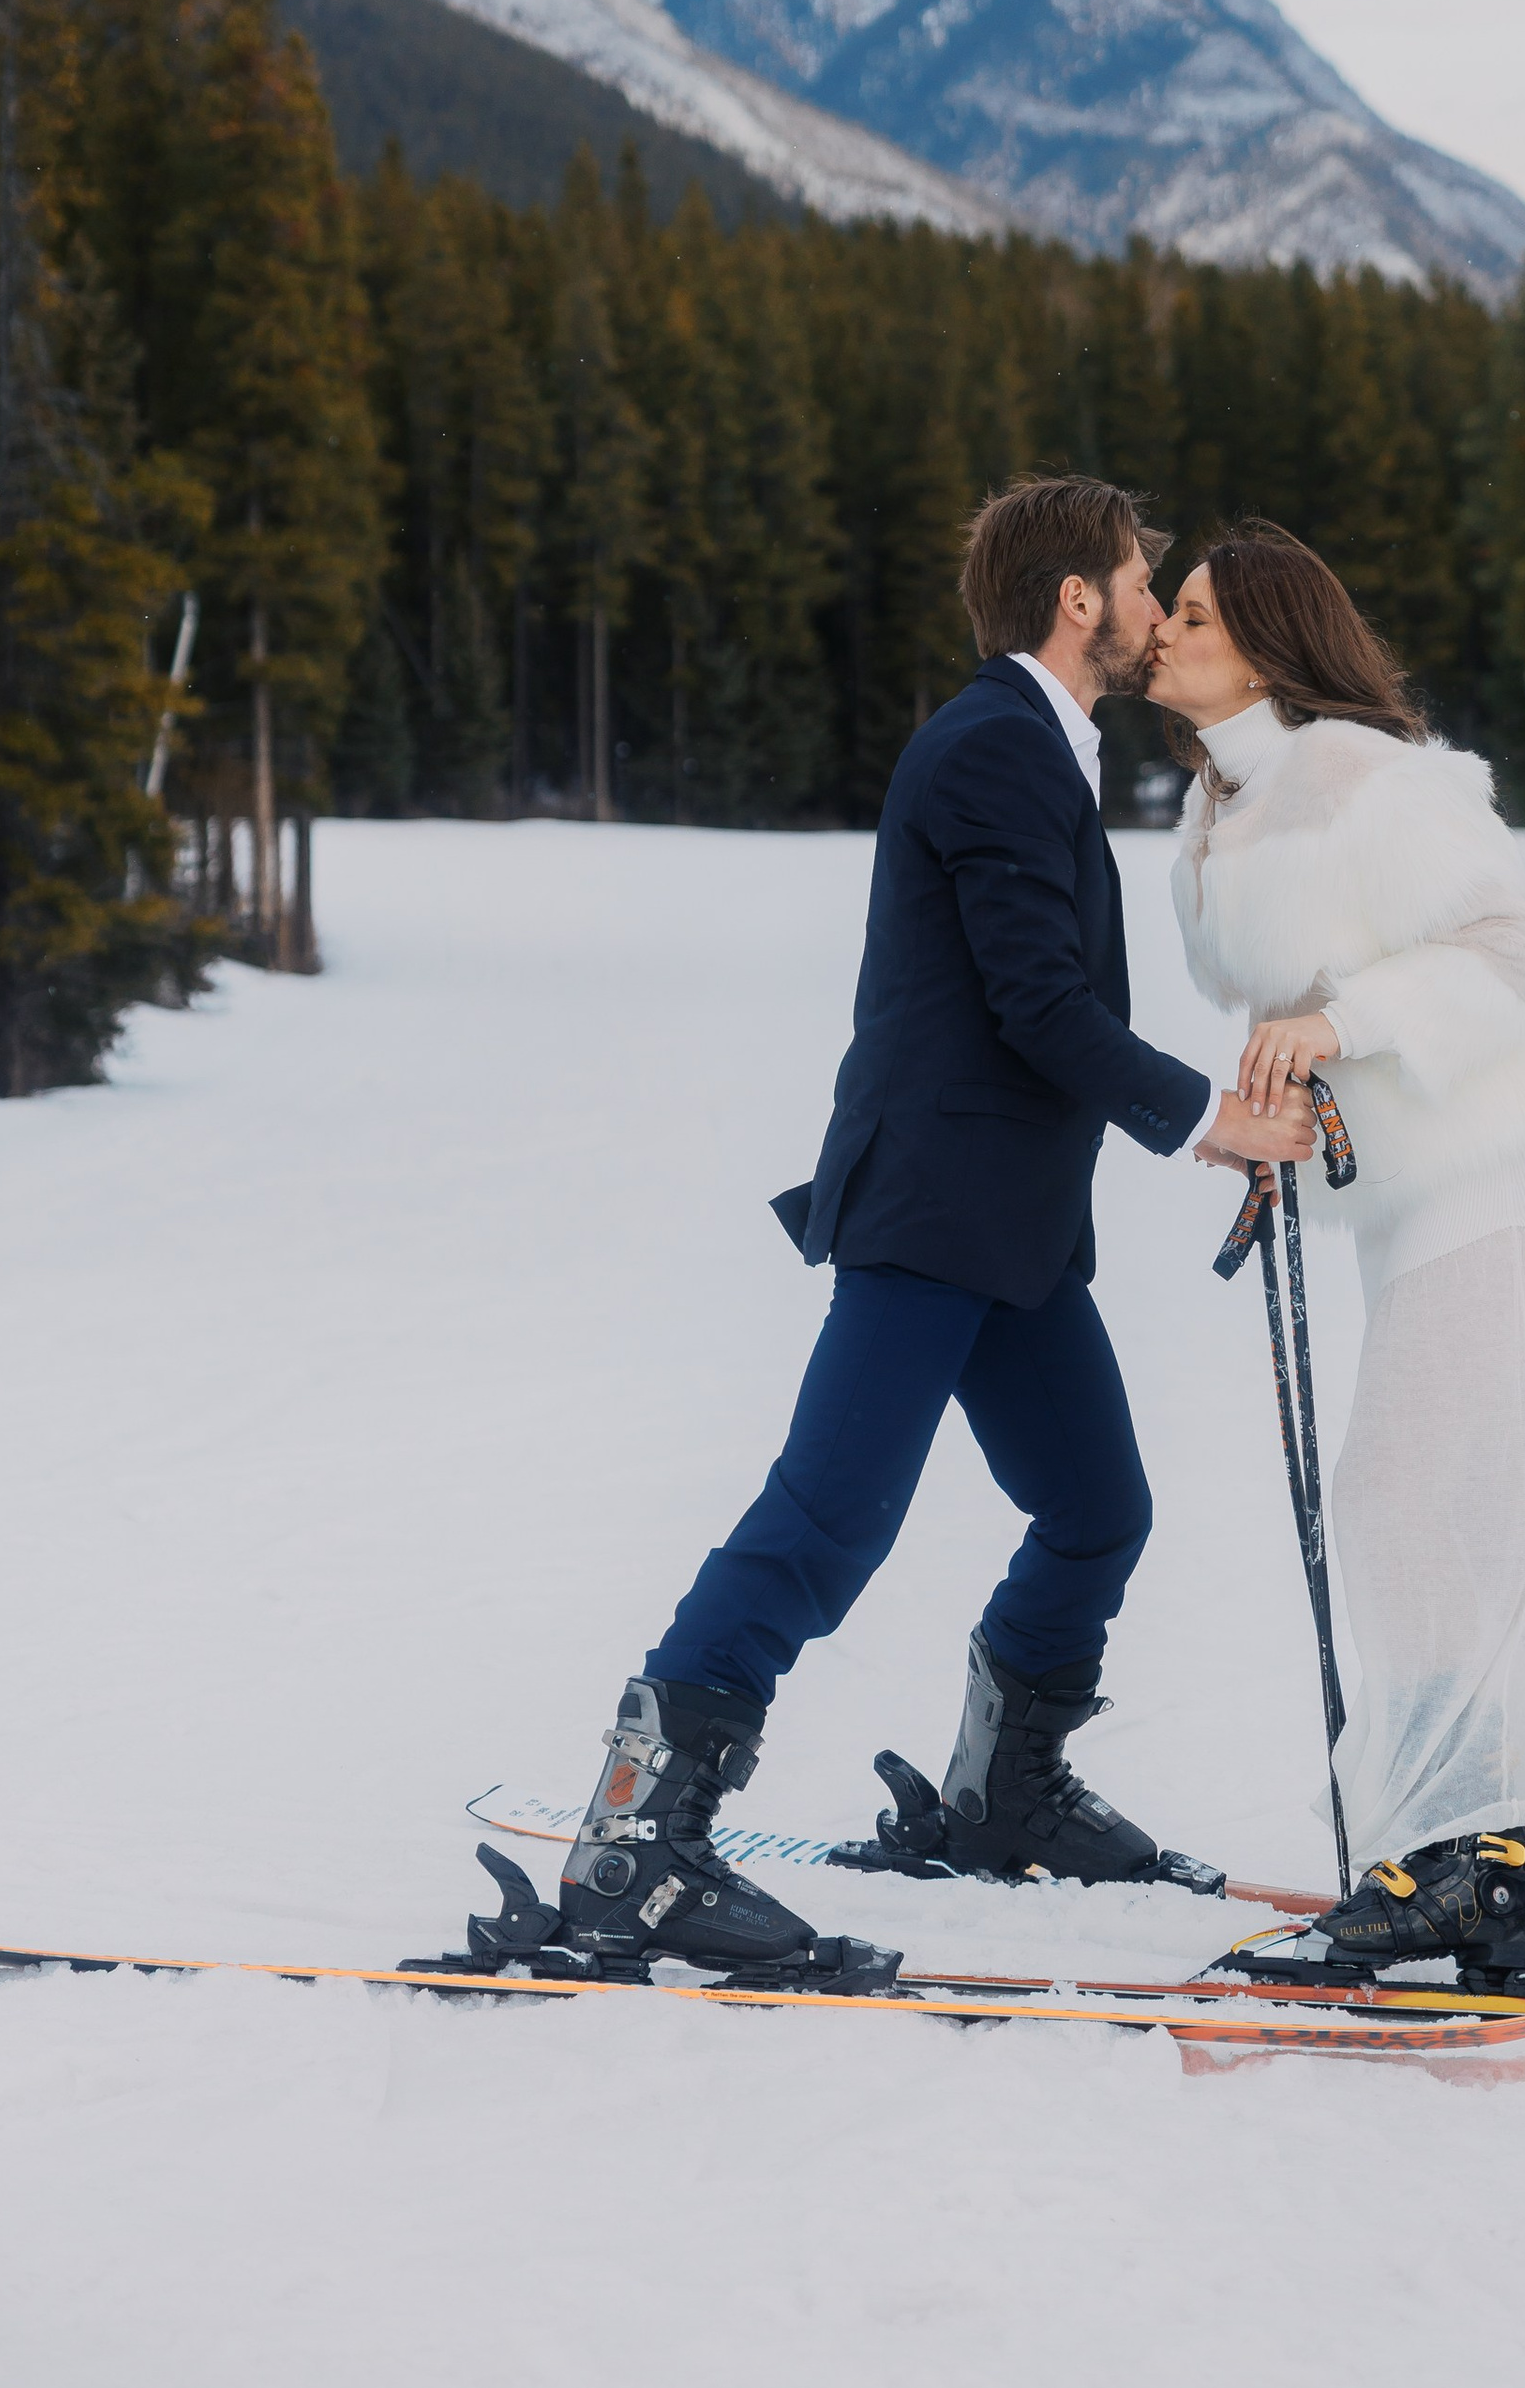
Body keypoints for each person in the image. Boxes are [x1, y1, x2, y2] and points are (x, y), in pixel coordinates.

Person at [542, 475, 1315, 1990]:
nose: (1158, 604)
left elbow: (1033, 1005)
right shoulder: (988, 751)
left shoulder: (1037, 747)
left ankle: (1002, 1791)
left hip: (1007, 1229)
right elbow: (1039, 1008)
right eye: (1143, 579)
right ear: (1077, 599)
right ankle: (632, 1847)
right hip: (931, 1211)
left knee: (1098, 1508)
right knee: (826, 1524)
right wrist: (1209, 1117)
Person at [1148, 521, 1525, 1975]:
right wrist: (1296, 1118)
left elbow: (1505, 956)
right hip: (1415, 1183)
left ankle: (1467, 1852)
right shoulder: (1224, 808)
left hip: (1492, 1161)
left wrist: (1334, 1029)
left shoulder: (1365, 779)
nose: (1169, 632)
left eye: (1199, 617)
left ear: (1271, 642)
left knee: (1412, 1502)